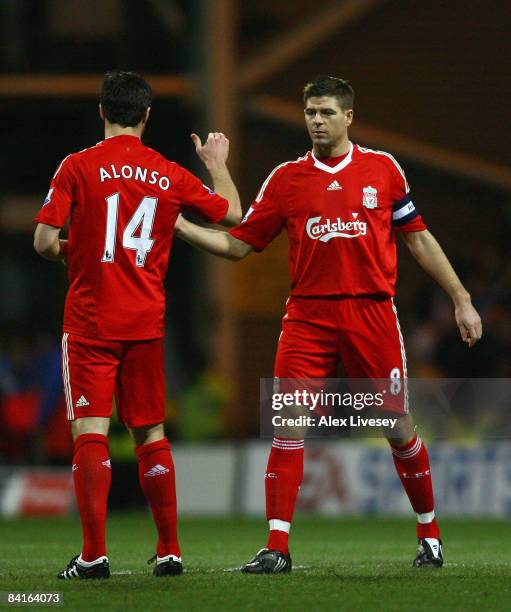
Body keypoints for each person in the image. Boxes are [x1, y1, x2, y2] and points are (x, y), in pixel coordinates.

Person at [174, 75, 483, 573]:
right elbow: (236, 245)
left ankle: (430, 535)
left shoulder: (383, 170)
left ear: (348, 117)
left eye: (326, 113)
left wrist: (461, 298)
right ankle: (277, 548)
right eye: (310, 113)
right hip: (308, 318)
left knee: (398, 428)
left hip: (371, 314)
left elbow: (419, 239)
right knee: (287, 428)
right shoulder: (286, 180)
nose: (316, 121)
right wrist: (180, 225)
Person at [33, 70, 241, 579]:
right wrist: (217, 165)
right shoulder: (167, 172)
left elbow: (42, 241)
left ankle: (93, 555)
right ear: (147, 116)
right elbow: (233, 215)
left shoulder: (77, 167)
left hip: (90, 322)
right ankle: (169, 549)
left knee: (91, 432)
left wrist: (72, 251)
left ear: (101, 111)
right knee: (151, 434)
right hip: (146, 323)